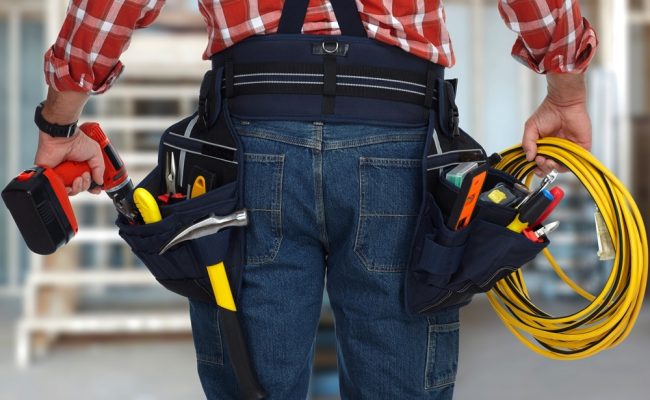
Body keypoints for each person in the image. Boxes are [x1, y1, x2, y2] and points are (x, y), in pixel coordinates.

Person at [33, 1, 597, 398]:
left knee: (255, 385)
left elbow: (111, 6)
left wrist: (59, 124)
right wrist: (565, 87)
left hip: (251, 143)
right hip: (396, 140)